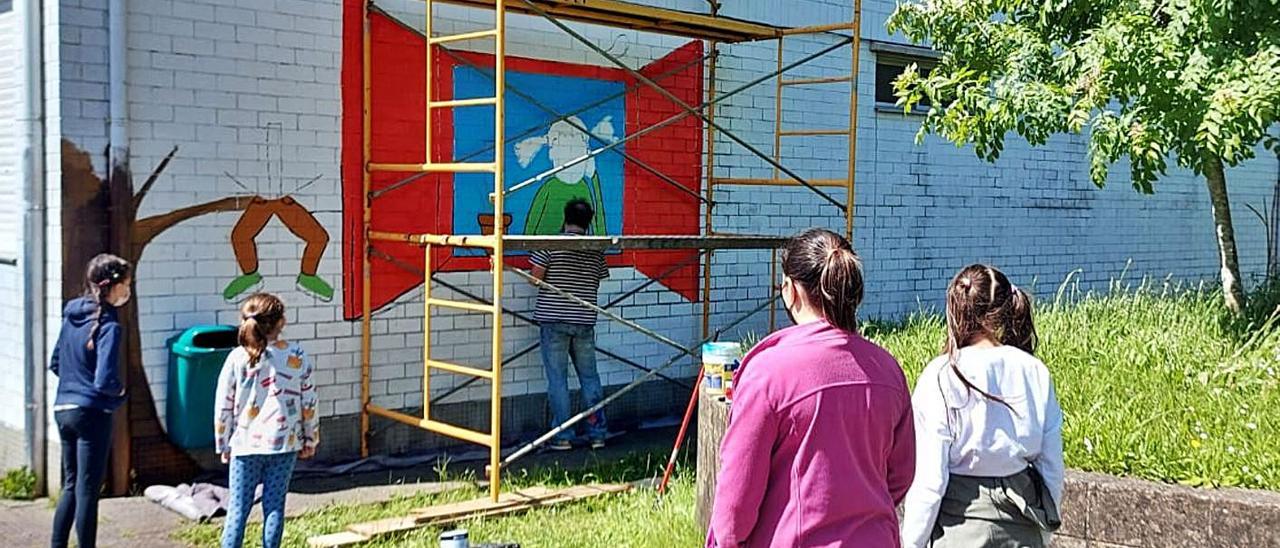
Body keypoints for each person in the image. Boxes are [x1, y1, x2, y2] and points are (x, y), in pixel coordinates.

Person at [708, 228, 916, 547]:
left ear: (790, 290)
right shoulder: (888, 370)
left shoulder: (767, 373)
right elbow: (899, 476)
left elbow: (735, 505)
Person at [900, 264, 1064, 548]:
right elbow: (1051, 465)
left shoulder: (941, 373)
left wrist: (911, 541)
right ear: (1006, 308)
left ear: (955, 309)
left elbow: (930, 479)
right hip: (1022, 523)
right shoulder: (1034, 370)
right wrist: (1045, 528)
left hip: (958, 526)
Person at [215, 293, 319, 548]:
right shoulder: (297, 356)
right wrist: (310, 438)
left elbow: (223, 405)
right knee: (274, 506)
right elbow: (309, 402)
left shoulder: (237, 358)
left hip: (244, 445)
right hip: (285, 444)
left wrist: (223, 443)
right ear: (281, 322)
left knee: (238, 509)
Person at [50, 254, 133, 548]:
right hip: (92, 413)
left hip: (63, 409)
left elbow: (56, 362)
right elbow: (105, 380)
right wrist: (120, 393)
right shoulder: (109, 325)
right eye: (126, 285)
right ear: (113, 287)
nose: (128, 292)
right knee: (88, 490)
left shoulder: (71, 315)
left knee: (71, 485)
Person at [529, 198, 610, 450]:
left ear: (565, 218)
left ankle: (563, 436)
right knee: (590, 379)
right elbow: (598, 280)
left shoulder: (550, 244)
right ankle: (597, 433)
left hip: (554, 321)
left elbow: (536, 279)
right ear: (588, 222)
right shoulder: (596, 249)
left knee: (558, 380)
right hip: (584, 321)